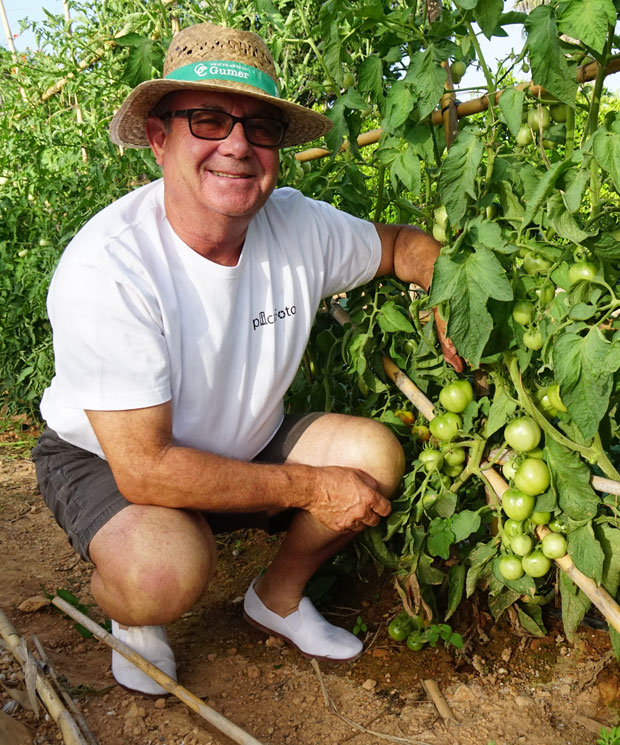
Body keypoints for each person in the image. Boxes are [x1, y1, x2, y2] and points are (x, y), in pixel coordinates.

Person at [32, 22, 461, 696]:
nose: (236, 144)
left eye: (259, 128)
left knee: (373, 457)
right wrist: (314, 487)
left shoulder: (299, 226)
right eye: (207, 119)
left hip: (247, 438)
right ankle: (130, 612)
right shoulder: (109, 267)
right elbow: (147, 467)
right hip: (113, 462)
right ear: (158, 137)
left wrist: (451, 290)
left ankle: (277, 597)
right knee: (161, 569)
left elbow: (401, 245)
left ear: (276, 152)